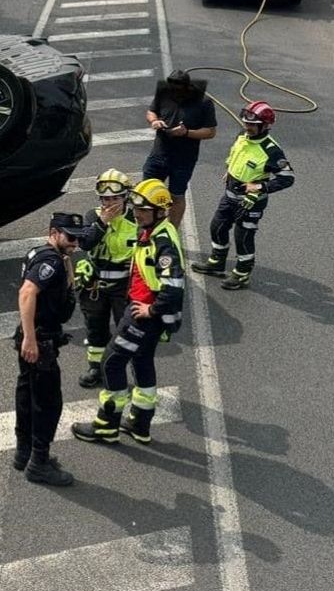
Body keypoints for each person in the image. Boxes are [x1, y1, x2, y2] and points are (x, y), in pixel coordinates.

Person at [73, 179, 185, 446]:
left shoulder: (163, 241)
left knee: (111, 363)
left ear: (160, 211)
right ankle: (140, 423)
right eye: (135, 208)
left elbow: (173, 287)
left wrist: (151, 309)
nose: (137, 214)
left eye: (143, 210)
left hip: (141, 315)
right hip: (142, 311)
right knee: (143, 363)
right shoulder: (152, 231)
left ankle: (106, 426)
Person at [13, 211, 92, 487]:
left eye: (79, 239)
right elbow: (26, 293)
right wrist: (31, 339)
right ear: (54, 232)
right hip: (40, 341)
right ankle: (38, 463)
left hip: (34, 337)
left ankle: (23, 453)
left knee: (27, 394)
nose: (75, 244)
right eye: (70, 237)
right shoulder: (51, 262)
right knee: (49, 404)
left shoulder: (43, 253)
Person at [193, 101, 295, 290]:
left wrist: (260, 187)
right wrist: (230, 170)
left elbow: (287, 178)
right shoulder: (243, 136)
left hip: (251, 202)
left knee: (243, 236)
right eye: (245, 123)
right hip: (230, 195)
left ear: (265, 126)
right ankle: (216, 262)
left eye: (252, 125)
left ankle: (242, 274)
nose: (247, 127)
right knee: (217, 226)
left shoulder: (272, 151)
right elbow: (236, 154)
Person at [76, 169, 138, 389]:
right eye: (105, 198)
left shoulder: (137, 218)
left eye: (115, 198)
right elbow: (85, 243)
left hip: (124, 286)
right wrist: (103, 222)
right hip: (96, 285)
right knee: (95, 328)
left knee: (127, 330)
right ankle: (96, 369)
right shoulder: (93, 217)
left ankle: (127, 371)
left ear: (126, 197)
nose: (110, 202)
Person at [142, 69, 217, 227]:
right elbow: (151, 111)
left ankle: (171, 231)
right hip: (159, 153)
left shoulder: (204, 102)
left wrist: (186, 133)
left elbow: (210, 132)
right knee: (147, 193)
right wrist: (154, 121)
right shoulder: (164, 94)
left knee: (176, 195)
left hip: (183, 159)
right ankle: (148, 229)